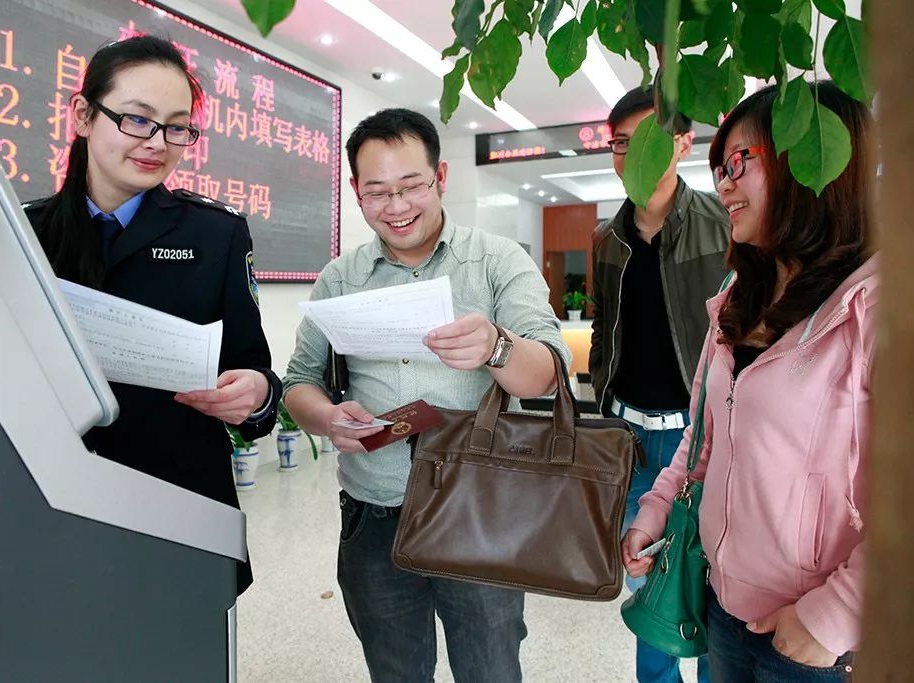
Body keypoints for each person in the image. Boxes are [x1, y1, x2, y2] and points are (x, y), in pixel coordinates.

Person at [282, 108, 570, 683]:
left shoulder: (496, 261)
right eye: (377, 192)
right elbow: (297, 383)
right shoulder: (340, 276)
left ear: (441, 176)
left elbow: (549, 374)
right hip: (374, 516)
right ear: (358, 196)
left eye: (411, 185)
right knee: (395, 671)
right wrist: (328, 417)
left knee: (490, 669)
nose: (397, 206)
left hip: (480, 515)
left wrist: (496, 347)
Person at [623, 81, 875, 682]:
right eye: (719, 168)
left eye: (740, 162)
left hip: (817, 637)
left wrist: (835, 614)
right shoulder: (738, 301)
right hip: (724, 606)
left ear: (817, 161)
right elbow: (704, 435)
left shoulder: (875, 306)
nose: (724, 184)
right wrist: (656, 508)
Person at [23, 36, 281, 593]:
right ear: (83, 116)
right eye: (138, 120)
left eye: (177, 127)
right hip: (49, 502)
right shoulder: (24, 233)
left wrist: (254, 393)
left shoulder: (215, 234)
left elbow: (256, 371)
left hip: (181, 500)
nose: (158, 143)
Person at [590, 86, 729, 683]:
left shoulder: (726, 227)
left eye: (645, 140)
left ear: (681, 141)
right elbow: (605, 336)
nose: (629, 156)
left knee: (718, 591)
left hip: (703, 445)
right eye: (619, 144)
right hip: (630, 443)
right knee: (651, 595)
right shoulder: (607, 239)